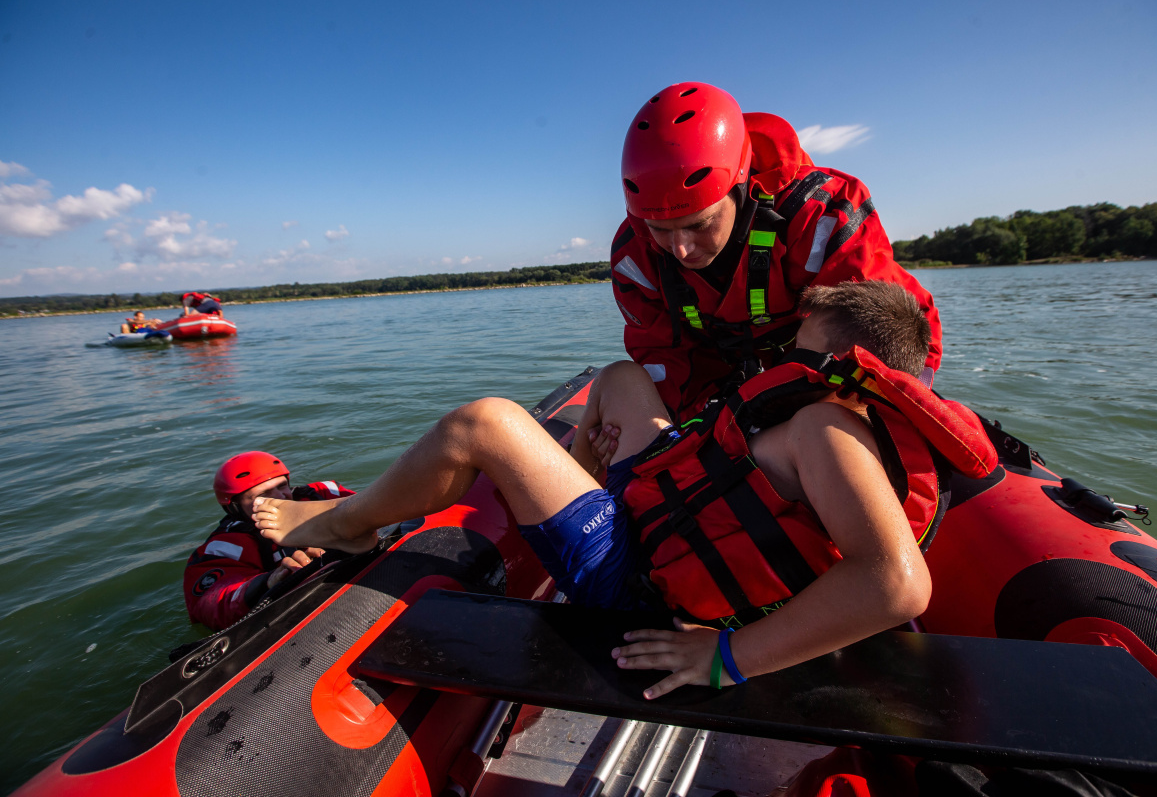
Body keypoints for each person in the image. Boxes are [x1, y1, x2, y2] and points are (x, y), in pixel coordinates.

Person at [250, 281, 995, 699]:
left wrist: (727, 658)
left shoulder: (831, 428)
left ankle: (346, 525)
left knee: (484, 423)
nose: (785, 357)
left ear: (839, 358)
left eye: (802, 346)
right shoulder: (828, 420)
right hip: (672, 515)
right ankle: (575, 487)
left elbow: (897, 586)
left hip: (649, 584)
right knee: (621, 379)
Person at [612, 82, 942, 422]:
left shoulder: (823, 217)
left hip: (832, 366)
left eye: (700, 224)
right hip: (729, 375)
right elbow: (661, 352)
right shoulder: (634, 256)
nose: (680, 249)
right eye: (660, 230)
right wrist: (682, 425)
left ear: (740, 186)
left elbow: (880, 336)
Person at [183, 451, 355, 631]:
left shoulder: (320, 495)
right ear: (235, 506)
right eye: (264, 494)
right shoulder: (227, 544)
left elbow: (371, 508)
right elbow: (209, 603)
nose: (280, 497)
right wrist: (269, 582)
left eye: (282, 486)